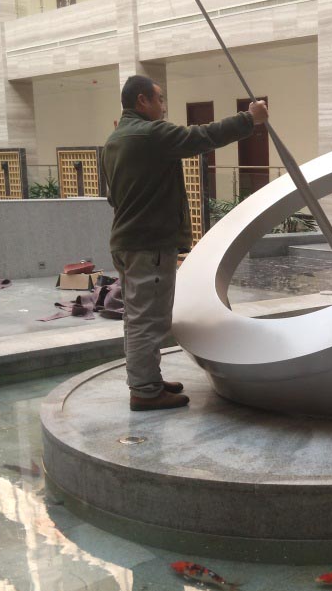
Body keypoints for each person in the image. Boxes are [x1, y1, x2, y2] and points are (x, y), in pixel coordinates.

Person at [103, 75, 268, 411]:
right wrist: (249, 119)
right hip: (148, 245)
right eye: (160, 99)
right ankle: (145, 391)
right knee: (148, 321)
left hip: (127, 242)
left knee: (138, 317)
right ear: (142, 101)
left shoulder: (114, 139)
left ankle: (147, 380)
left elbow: (113, 197)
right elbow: (201, 137)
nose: (164, 107)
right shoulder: (151, 135)